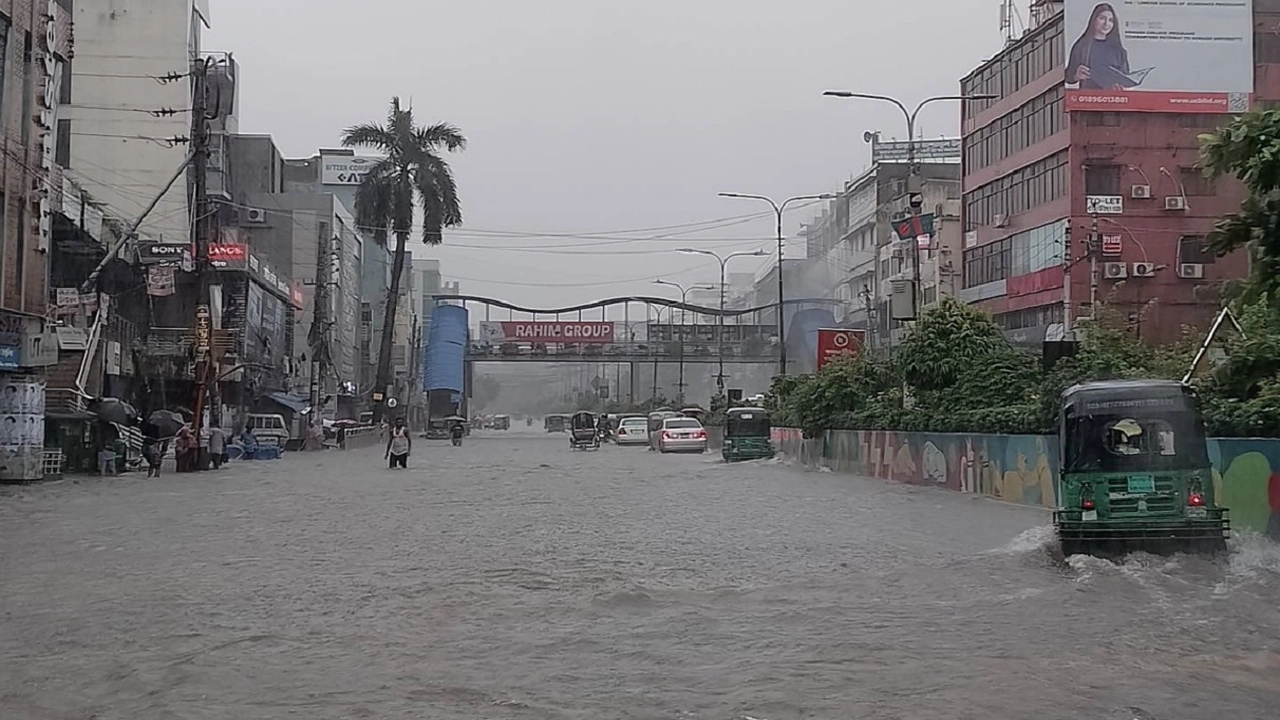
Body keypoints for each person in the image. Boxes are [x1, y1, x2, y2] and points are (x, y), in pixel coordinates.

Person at [1065, 3, 1130, 90]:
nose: (1106, 24)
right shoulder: (1081, 46)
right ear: (1094, 20)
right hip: (1088, 98)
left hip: (1113, 99)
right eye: (1102, 18)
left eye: (1111, 20)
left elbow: (1126, 77)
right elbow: (1068, 77)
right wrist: (1076, 76)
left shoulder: (1119, 50)